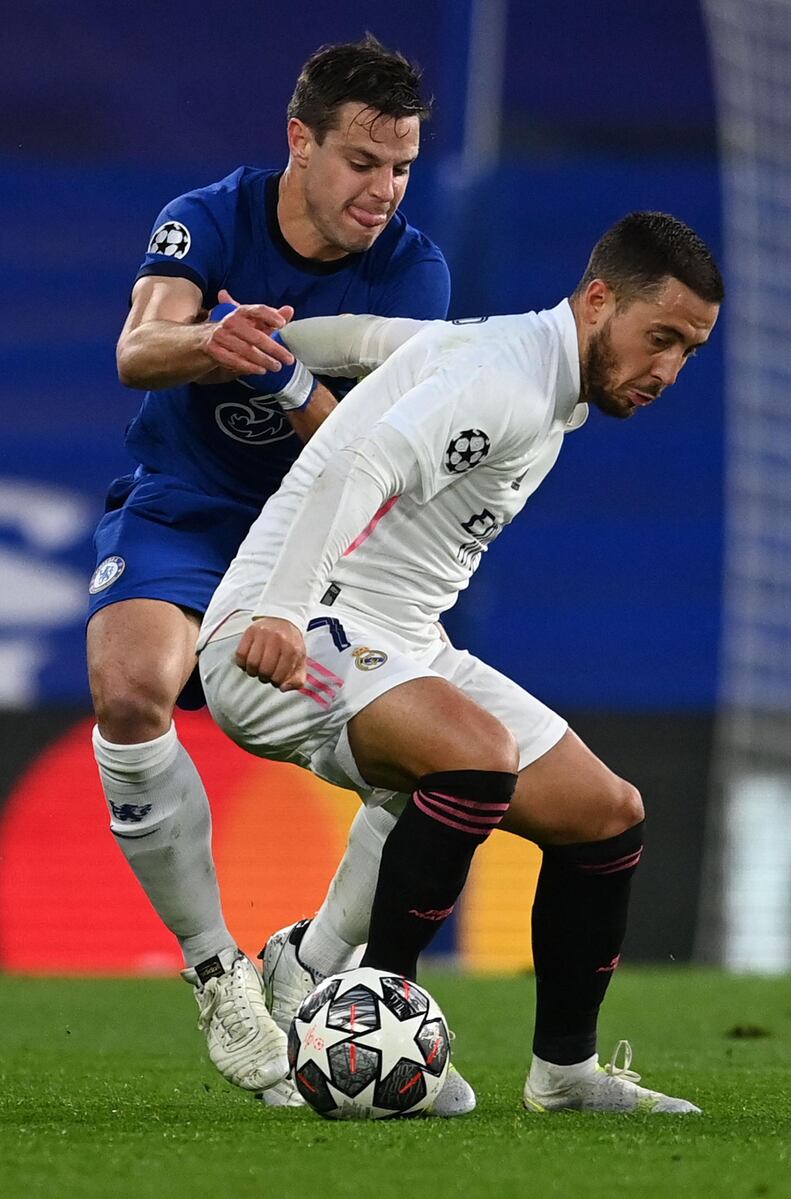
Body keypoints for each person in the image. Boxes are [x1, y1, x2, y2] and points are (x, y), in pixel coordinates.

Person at [197, 211, 723, 1115]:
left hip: (400, 641)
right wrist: (281, 607)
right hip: (285, 634)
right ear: (599, 300)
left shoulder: (520, 359)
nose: (669, 371)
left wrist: (274, 339)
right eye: (660, 338)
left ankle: (563, 1074)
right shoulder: (507, 383)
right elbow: (357, 461)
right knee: (472, 753)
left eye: (688, 352)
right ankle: (373, 1030)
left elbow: (373, 341)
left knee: (607, 814)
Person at [86, 37, 450, 1100]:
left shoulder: (411, 270)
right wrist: (215, 341)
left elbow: (373, 459)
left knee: (426, 766)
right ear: (299, 141)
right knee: (128, 685)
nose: (381, 191)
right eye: (359, 162)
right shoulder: (210, 215)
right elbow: (137, 349)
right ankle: (219, 976)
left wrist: (289, 381)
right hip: (189, 518)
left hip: (314, 554)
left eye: (401, 168)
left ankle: (303, 964)